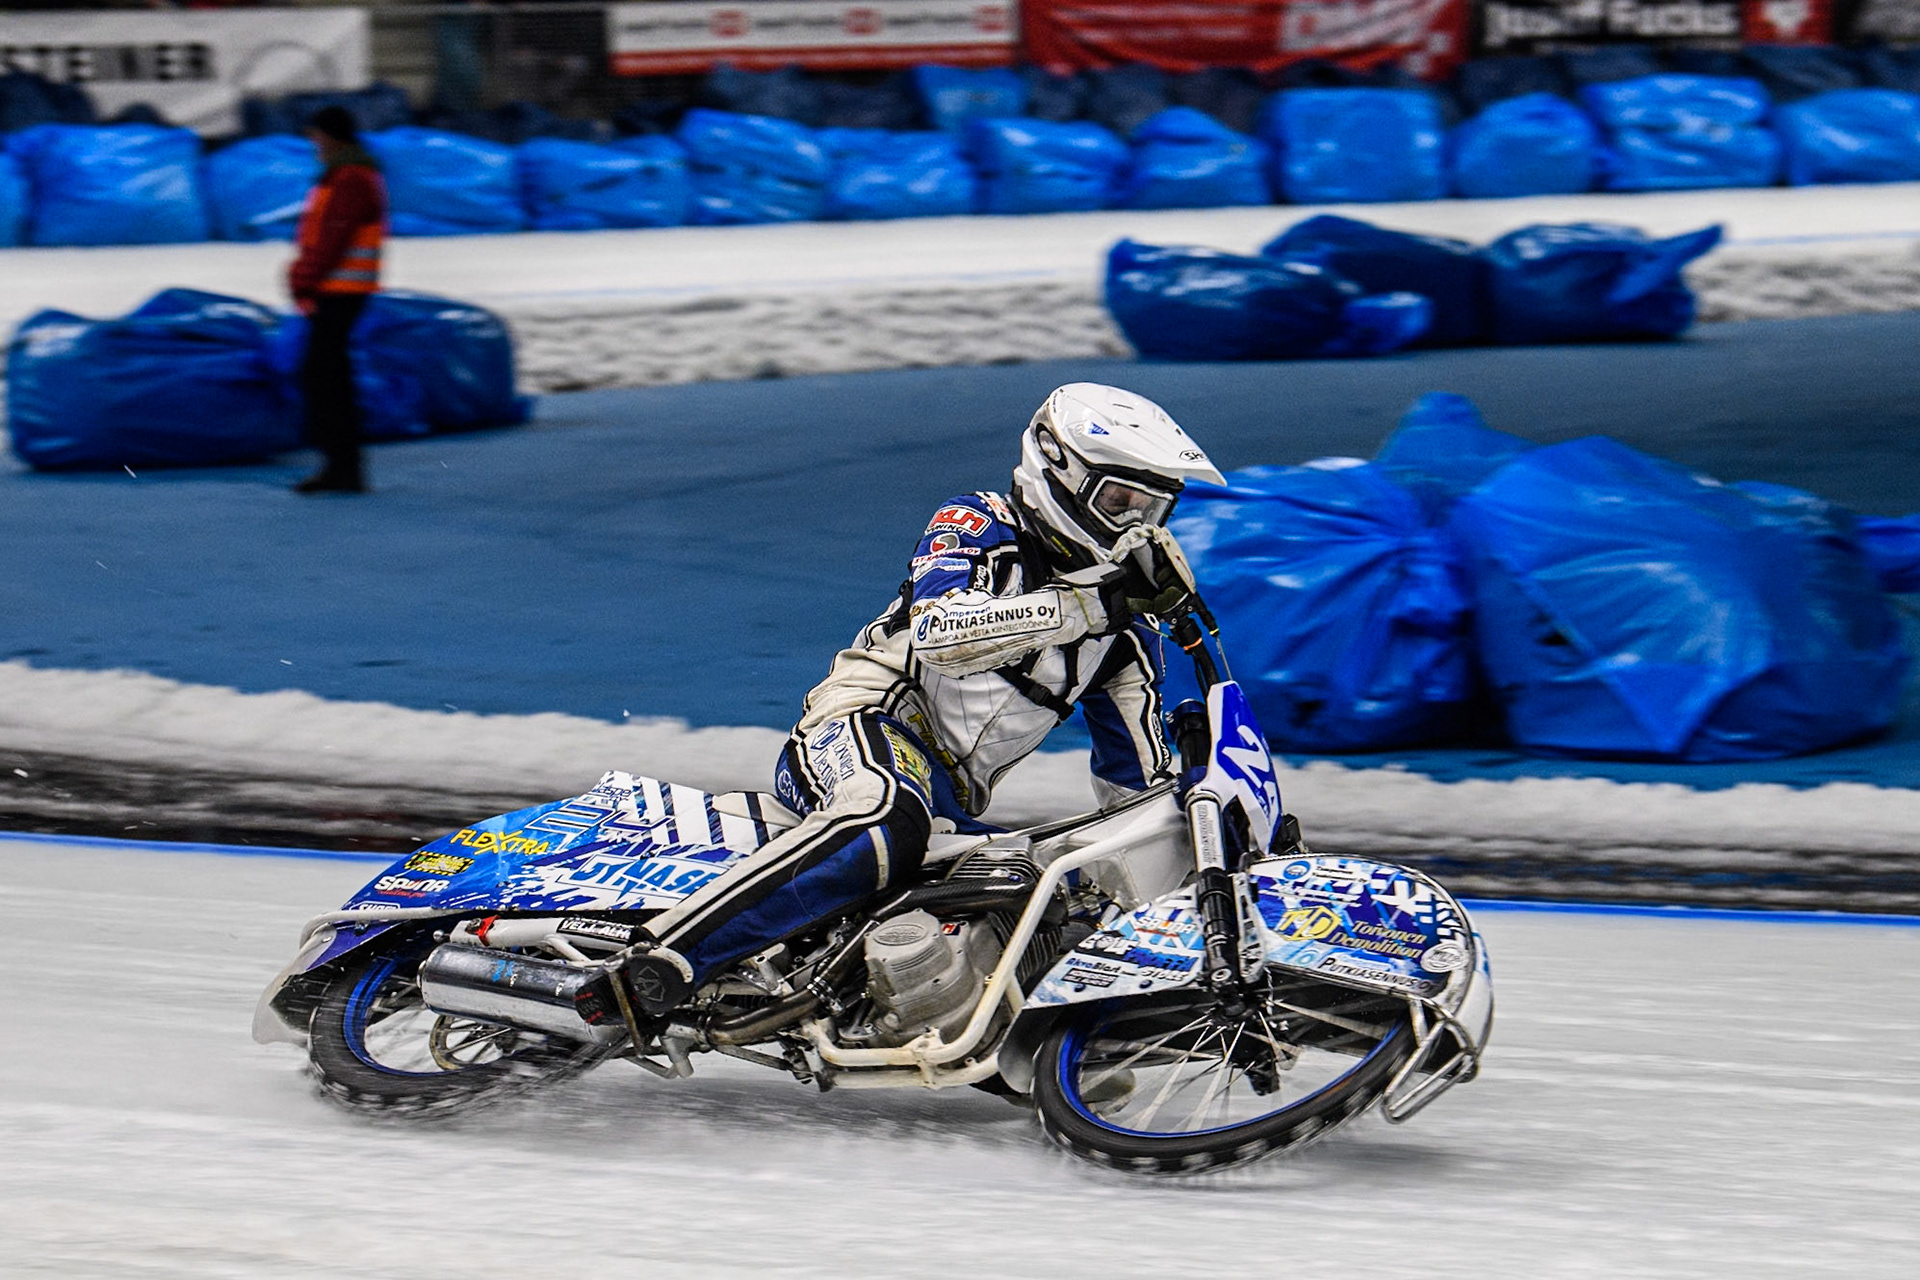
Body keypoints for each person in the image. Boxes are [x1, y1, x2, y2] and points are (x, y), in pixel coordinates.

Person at [582, 383, 1226, 1022]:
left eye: (1152, 509)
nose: (1135, 527)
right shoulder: (981, 522)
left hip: (948, 801)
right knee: (889, 816)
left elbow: (1134, 791)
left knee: (1037, 895)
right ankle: (658, 967)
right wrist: (1087, 606)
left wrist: (1203, 833)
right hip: (861, 727)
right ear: (1057, 467)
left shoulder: (1122, 637)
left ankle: (1034, 1056)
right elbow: (942, 633)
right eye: (1119, 500)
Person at [287, 105, 386, 494]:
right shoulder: (346, 174)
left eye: (316, 136)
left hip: (341, 290)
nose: (313, 143)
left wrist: (304, 279)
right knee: (327, 376)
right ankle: (341, 466)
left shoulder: (349, 177)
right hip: (340, 289)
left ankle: (342, 466)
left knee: (324, 377)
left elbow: (333, 237)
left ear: (329, 136)